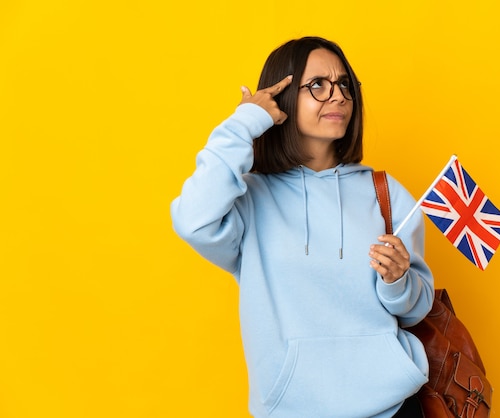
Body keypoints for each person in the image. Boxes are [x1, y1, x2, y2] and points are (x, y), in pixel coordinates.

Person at [171, 36, 434, 418]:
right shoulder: (250, 199)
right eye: (318, 86)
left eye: (344, 84)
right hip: (292, 408)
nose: (338, 97)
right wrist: (245, 122)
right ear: (283, 99)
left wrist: (397, 283)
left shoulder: (384, 192)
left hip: (392, 407)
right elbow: (193, 219)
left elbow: (417, 308)